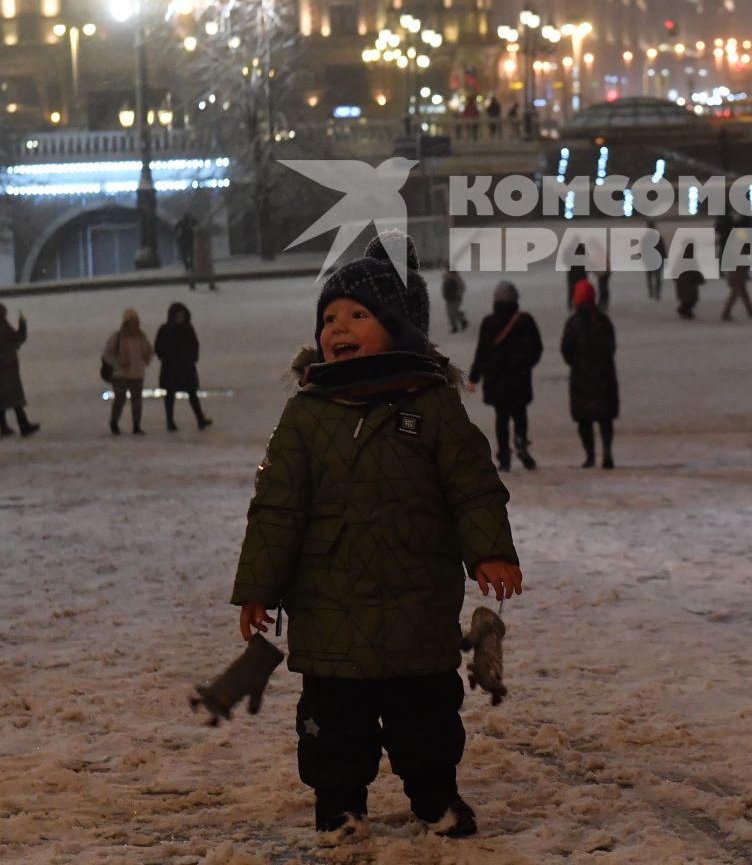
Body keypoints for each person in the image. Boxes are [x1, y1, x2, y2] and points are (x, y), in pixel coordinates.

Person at [230, 234, 520, 840]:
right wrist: (259, 587)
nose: (339, 327)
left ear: (399, 328)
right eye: (330, 317)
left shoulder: (433, 404)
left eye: (358, 315)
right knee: (335, 722)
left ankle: (436, 798)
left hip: (416, 600)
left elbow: (471, 485)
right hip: (328, 604)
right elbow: (277, 506)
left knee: (427, 718)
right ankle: (338, 807)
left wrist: (489, 550)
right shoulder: (307, 412)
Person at [467, 280, 542, 472]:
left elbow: (481, 352)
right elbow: (536, 349)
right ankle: (521, 444)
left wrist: (475, 377)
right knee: (520, 414)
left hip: (496, 381)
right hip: (519, 379)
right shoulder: (525, 321)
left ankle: (504, 456)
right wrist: (523, 365)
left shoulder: (489, 322)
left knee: (501, 418)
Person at [561, 278, 620, 469]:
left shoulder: (573, 323)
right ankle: (607, 450)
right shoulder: (603, 320)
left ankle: (590, 455)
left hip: (581, 377)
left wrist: (577, 363)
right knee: (605, 418)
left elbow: (566, 349)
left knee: (584, 419)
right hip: (604, 375)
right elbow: (611, 346)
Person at [0, 304, 39, 440]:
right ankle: (19, 426)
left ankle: (1, 427)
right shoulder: (0, 327)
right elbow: (17, 339)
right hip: (3, 370)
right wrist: (22, 324)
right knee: (10, 399)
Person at [153, 302, 213, 432]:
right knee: (170, 395)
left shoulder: (187, 329)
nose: (180, 317)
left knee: (192, 393)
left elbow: (194, 345)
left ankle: (200, 419)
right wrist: (167, 357)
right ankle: (170, 421)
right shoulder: (165, 329)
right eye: (177, 315)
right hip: (171, 367)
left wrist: (192, 357)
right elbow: (158, 347)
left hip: (185, 367)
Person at [102, 308, 155, 436]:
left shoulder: (141, 337)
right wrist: (118, 364)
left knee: (137, 401)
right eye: (132, 321)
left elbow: (148, 352)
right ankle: (114, 422)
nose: (135, 324)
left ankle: (136, 425)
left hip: (137, 374)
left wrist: (145, 361)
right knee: (120, 398)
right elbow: (107, 353)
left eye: (136, 321)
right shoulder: (118, 336)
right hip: (120, 374)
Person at [441, 269, 468, 333]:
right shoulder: (447, 276)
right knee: (450, 313)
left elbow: (462, 287)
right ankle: (459, 323)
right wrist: (445, 295)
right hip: (449, 298)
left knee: (453, 312)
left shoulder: (456, 277)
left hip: (455, 298)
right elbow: (444, 287)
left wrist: (458, 294)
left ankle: (457, 325)